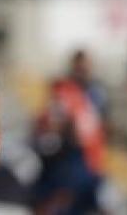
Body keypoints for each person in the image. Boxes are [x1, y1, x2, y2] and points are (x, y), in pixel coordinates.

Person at [31, 50, 108, 215]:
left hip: (90, 161)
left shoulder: (96, 93)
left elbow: (98, 128)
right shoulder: (65, 90)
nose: (83, 71)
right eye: (79, 66)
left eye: (85, 67)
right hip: (68, 160)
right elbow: (52, 123)